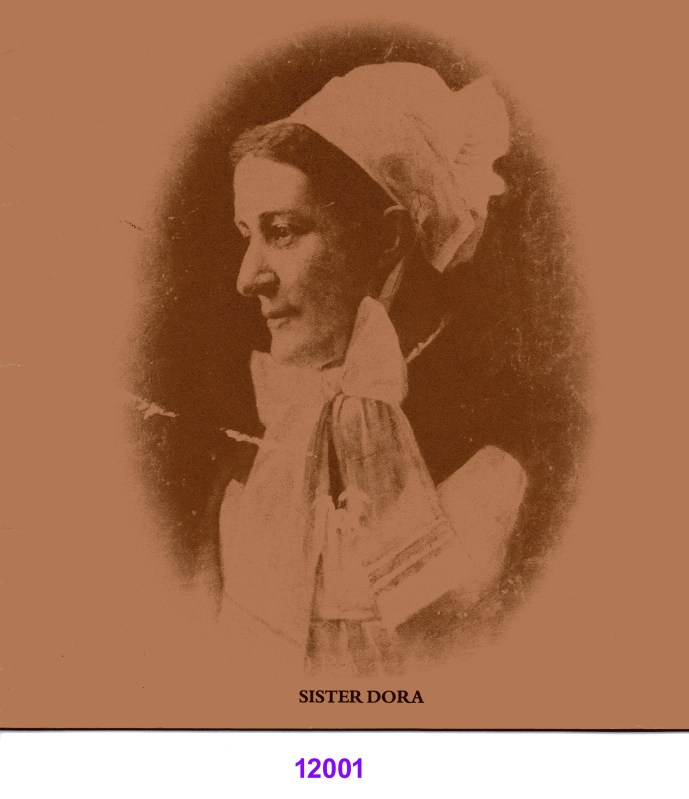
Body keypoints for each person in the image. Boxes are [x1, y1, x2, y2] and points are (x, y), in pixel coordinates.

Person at [214, 62, 527, 675]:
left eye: (283, 232)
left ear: (387, 241)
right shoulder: (249, 468)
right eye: (247, 234)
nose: (248, 278)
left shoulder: (502, 455)